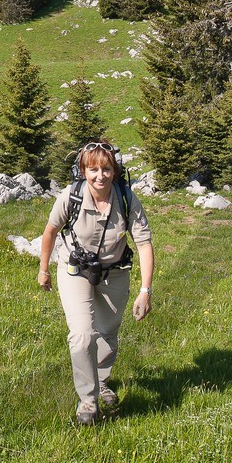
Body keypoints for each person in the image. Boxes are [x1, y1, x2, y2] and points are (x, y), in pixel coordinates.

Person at [38, 141, 154, 424]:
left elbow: (144, 244)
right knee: (82, 334)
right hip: (75, 269)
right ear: (83, 171)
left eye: (105, 169)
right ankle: (88, 404)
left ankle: (102, 382)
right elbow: (50, 231)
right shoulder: (71, 195)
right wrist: (44, 270)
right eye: (93, 169)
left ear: (114, 171)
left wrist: (145, 291)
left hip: (114, 272)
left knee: (107, 333)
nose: (99, 176)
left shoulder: (126, 198)